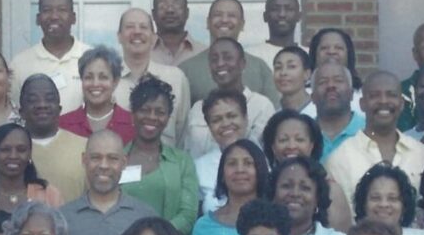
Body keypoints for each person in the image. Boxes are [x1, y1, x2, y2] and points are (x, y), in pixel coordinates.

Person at [325, 70, 424, 232]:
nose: (383, 101)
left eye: (391, 95)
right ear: (362, 104)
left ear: (401, 103)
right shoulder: (339, 160)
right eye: (374, 95)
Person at [61, 131, 153, 235]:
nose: (104, 165)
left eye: (112, 158)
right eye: (96, 157)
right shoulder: (63, 218)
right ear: (84, 160)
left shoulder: (144, 217)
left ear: (124, 162)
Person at [120, 78, 200, 235]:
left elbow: (188, 214)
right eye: (144, 110)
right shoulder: (117, 159)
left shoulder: (182, 161)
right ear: (133, 114)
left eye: (160, 112)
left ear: (168, 117)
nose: (152, 117)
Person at [179, 0, 278, 107]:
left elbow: (273, 113)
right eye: (218, 15)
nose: (224, 20)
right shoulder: (187, 69)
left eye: (231, 16)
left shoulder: (259, 67)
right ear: (207, 23)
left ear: (242, 24)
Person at [184, 37, 275, 153]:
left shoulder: (262, 106)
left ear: (242, 64)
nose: (220, 63)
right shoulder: (197, 109)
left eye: (227, 58)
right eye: (214, 59)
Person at [114, 8, 189, 147]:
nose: (137, 32)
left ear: (154, 38)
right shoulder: (108, 81)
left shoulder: (175, 78)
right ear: (119, 36)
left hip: (166, 164)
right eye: (130, 27)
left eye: (143, 27)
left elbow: (182, 133)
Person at [11, 0, 86, 113]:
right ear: (38, 19)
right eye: (47, 10)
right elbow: (14, 110)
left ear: (73, 18)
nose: (54, 16)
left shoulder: (91, 58)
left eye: (62, 10)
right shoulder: (19, 64)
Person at [20, 74, 88, 205]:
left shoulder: (85, 147)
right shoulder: (12, 151)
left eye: (49, 99)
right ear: (21, 111)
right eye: (33, 100)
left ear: (60, 109)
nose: (42, 105)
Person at [192, 90, 257, 214]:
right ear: (209, 126)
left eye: (232, 116)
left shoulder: (263, 159)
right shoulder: (199, 168)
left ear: (245, 118)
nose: (226, 124)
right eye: (217, 120)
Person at [0, 122, 64, 215]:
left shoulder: (49, 195)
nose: (13, 156)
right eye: (5, 149)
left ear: (29, 154)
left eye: (21, 150)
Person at [58, 46, 135, 144]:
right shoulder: (63, 124)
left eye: (103, 77)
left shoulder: (132, 123)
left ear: (115, 81)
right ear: (82, 80)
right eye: (89, 77)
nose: (95, 84)